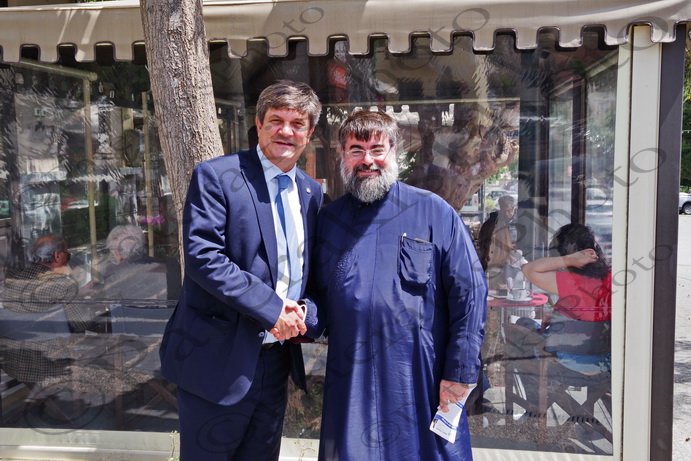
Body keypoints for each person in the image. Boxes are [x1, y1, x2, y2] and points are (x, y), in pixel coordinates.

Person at [302, 111, 486, 460]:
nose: (367, 160)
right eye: (356, 150)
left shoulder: (434, 212)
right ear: (342, 155)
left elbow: (470, 295)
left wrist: (460, 371)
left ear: (394, 151)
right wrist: (301, 315)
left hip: (420, 377)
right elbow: (317, 296)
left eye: (377, 149)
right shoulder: (328, 221)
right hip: (351, 379)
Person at [159, 80, 323, 460]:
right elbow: (204, 257)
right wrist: (273, 309)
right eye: (276, 120)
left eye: (297, 123)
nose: (286, 131)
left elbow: (309, 272)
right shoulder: (218, 176)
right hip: (217, 360)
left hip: (277, 360)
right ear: (259, 124)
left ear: (309, 132)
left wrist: (305, 314)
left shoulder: (311, 193)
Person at [521, 223, 612, 373]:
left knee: (523, 323)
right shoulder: (611, 277)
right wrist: (558, 316)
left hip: (569, 359)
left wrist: (569, 259)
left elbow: (528, 269)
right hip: (605, 360)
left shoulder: (570, 281)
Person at [3, 235, 98, 333]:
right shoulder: (63, 284)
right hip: (52, 341)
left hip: (15, 339)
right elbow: (82, 323)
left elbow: (40, 297)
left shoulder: (13, 277)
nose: (69, 260)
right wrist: (92, 308)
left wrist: (77, 293)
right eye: (68, 255)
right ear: (57, 256)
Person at [94, 224, 180, 300]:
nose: (112, 258)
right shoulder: (171, 264)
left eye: (112, 253)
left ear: (118, 253)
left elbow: (112, 306)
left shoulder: (115, 277)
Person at [477, 194, 521, 291]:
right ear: (500, 208)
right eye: (503, 211)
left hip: (514, 259)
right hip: (494, 260)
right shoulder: (491, 223)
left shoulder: (520, 222)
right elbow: (484, 243)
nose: (506, 214)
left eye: (509, 211)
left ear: (514, 207)